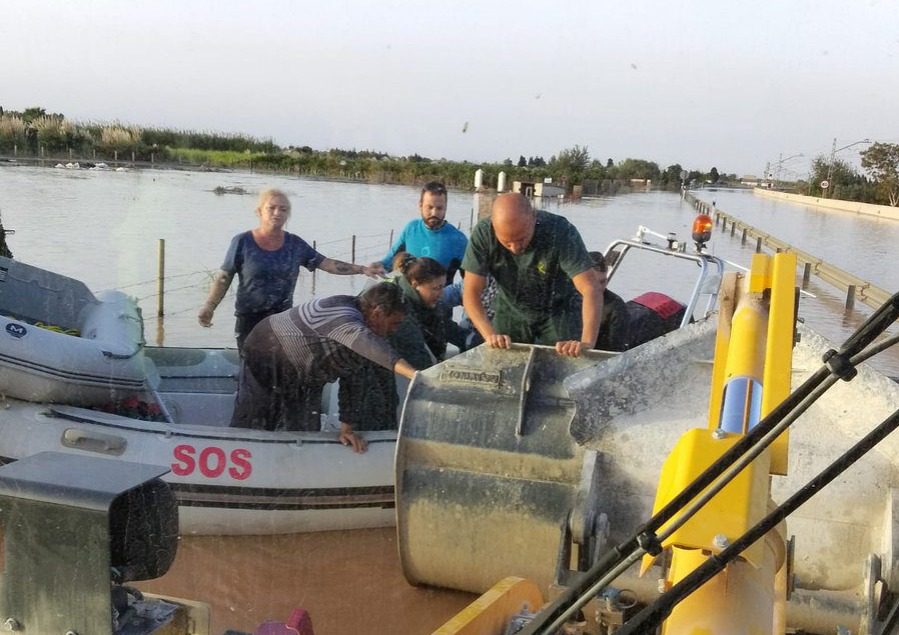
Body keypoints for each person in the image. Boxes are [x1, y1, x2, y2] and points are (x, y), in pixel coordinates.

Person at [230, 283, 416, 454]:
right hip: (265, 352)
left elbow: (353, 379)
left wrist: (347, 428)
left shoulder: (366, 335)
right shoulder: (343, 315)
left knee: (305, 431)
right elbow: (371, 346)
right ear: (378, 312)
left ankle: (295, 470)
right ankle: (237, 453)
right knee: (255, 422)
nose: (394, 330)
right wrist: (415, 375)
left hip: (307, 372)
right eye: (394, 323)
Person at [199, 189, 384, 350]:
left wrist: (362, 269)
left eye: (283, 209)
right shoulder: (242, 242)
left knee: (279, 371)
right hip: (249, 319)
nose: (277, 213)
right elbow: (224, 277)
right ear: (259, 211)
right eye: (271, 208)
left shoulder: (295, 244)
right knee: (250, 369)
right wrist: (209, 306)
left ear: (288, 215)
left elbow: (326, 263)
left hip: (283, 320)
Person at [461, 193, 603, 357]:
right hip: (511, 308)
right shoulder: (483, 233)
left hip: (558, 309)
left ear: (533, 219)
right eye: (507, 242)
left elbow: (590, 288)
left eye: (521, 239)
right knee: (502, 361)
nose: (514, 248)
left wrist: (586, 343)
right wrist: (490, 335)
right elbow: (470, 293)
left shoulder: (561, 231)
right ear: (494, 227)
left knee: (565, 362)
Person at [341, 257, 466, 431]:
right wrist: (443, 387)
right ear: (415, 283)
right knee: (379, 404)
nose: (441, 293)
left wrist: (473, 341)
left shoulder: (421, 298)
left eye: (442, 287)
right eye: (436, 288)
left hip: (385, 358)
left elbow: (444, 326)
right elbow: (417, 356)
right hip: (369, 359)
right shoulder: (400, 308)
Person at [381, 181, 468, 285]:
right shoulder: (411, 229)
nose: (434, 213)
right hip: (407, 297)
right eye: (429, 207)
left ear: (446, 208)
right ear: (420, 205)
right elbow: (387, 262)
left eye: (439, 208)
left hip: (441, 300)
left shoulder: (458, 239)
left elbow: (470, 282)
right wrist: (376, 266)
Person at [588, 251, 630, 352]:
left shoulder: (616, 306)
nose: (599, 287)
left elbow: (614, 350)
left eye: (602, 282)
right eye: (593, 282)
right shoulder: (564, 298)